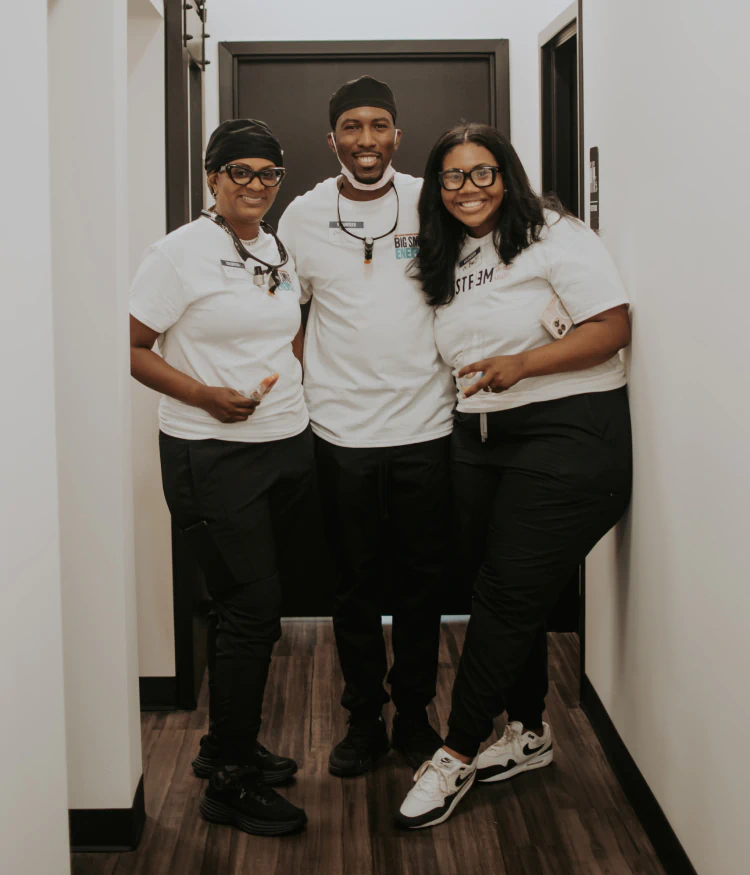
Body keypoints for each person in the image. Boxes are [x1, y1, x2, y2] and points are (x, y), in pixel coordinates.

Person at [397, 122, 633, 829]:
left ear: (507, 176)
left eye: (483, 173)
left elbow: (612, 324)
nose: (468, 188)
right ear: (437, 189)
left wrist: (523, 364)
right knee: (502, 584)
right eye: (453, 177)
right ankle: (527, 731)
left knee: (503, 594)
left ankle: (456, 750)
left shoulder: (555, 235)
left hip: (566, 432)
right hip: (480, 437)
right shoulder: (449, 253)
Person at [129, 119, 315, 836]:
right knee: (249, 607)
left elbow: (285, 328)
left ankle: (222, 746)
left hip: (282, 445)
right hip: (211, 451)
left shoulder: (274, 246)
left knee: (261, 603)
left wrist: (293, 383)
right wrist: (205, 394)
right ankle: (229, 781)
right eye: (240, 172)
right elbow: (134, 346)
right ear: (211, 178)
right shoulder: (178, 254)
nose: (257, 186)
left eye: (269, 174)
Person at [278, 76, 455, 776]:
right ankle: (362, 721)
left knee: (420, 584)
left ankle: (413, 713)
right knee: (352, 585)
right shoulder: (302, 215)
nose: (366, 139)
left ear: (397, 135)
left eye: (379, 125)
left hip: (426, 425)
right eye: (351, 127)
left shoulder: (430, 198)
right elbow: (286, 314)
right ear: (332, 140)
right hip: (339, 431)